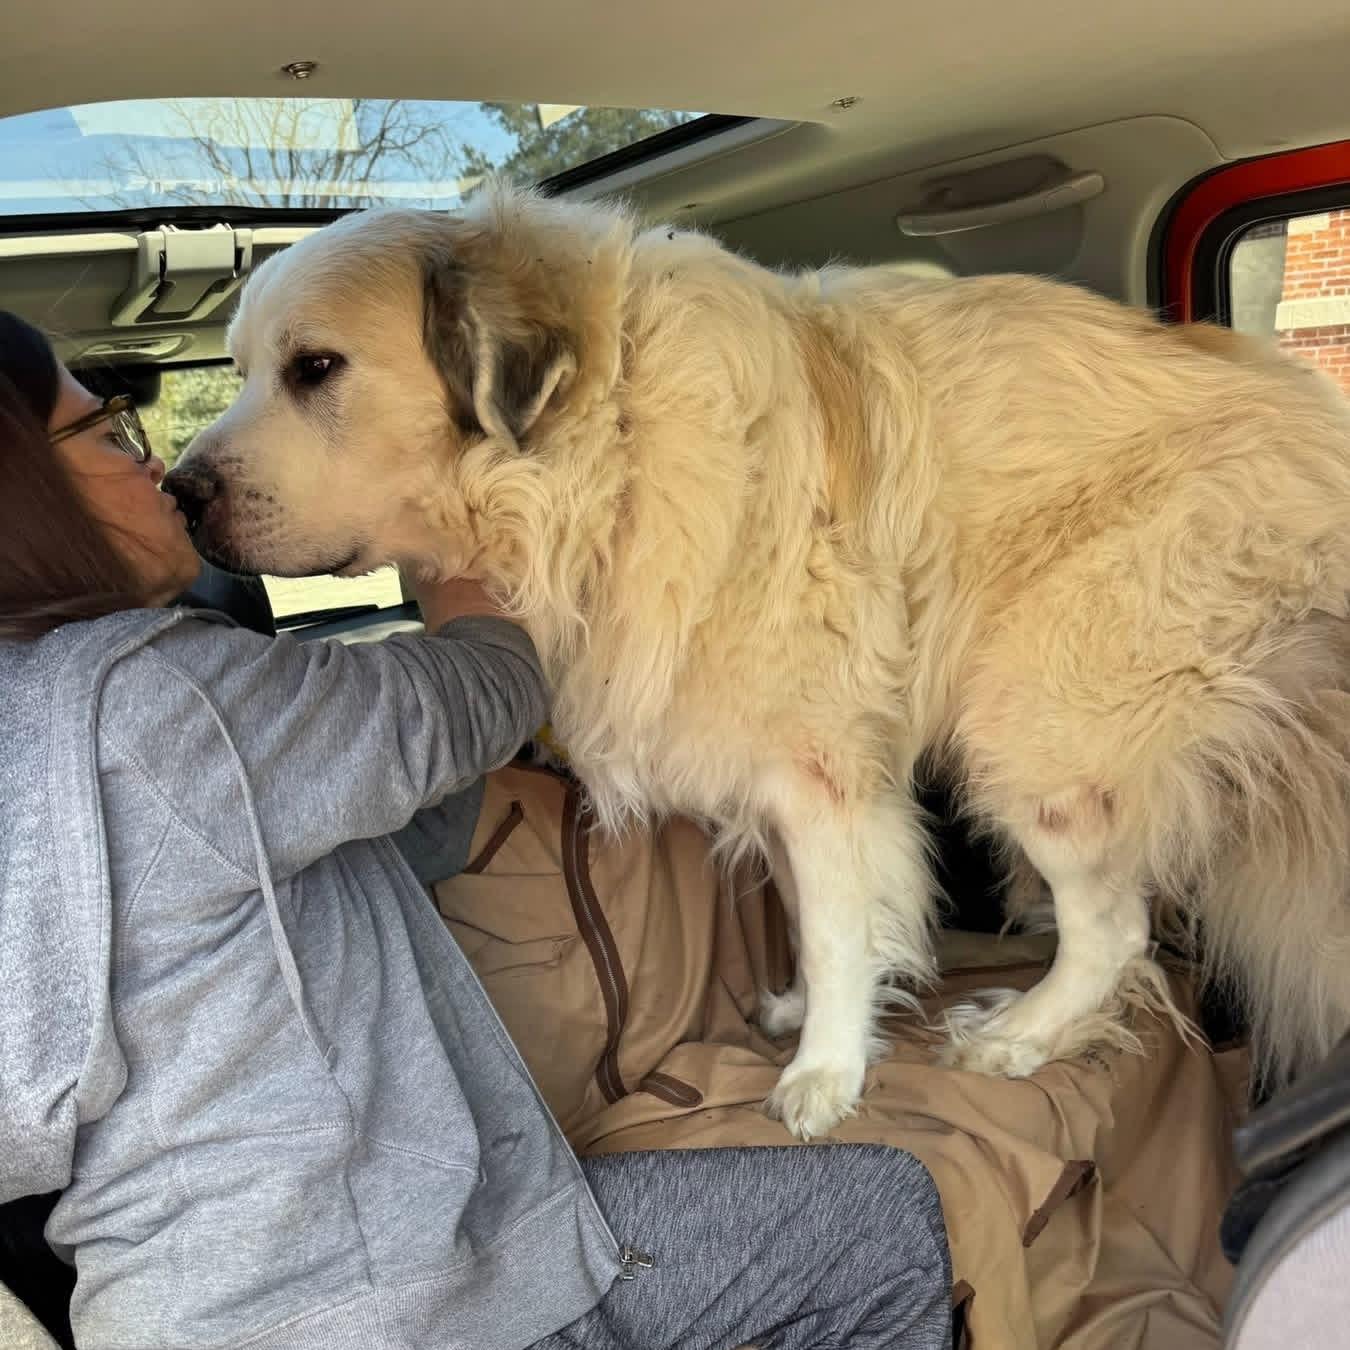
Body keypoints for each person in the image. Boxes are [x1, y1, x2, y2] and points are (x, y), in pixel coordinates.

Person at [0, 309, 952, 1350]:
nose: (157, 465)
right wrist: (465, 546)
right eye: (105, 432)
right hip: (385, 1297)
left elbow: (341, 852)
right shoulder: (162, 703)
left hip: (160, 1308)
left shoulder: (38, 730)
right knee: (882, 1224)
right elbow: (478, 693)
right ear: (24, 489)